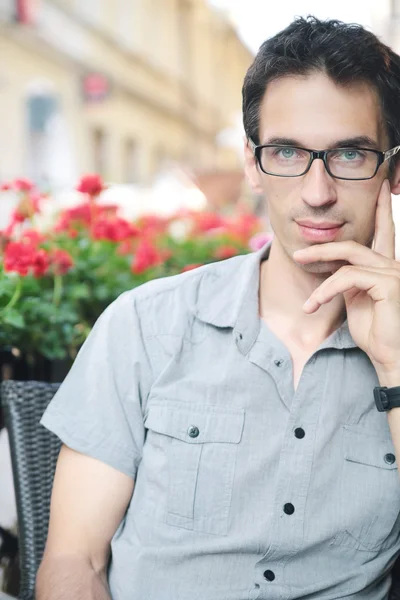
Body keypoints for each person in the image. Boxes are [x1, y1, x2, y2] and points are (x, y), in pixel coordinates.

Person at [36, 15, 400, 600]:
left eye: (351, 156)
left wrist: (395, 368)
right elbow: (75, 562)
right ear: (254, 165)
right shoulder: (145, 326)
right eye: (286, 152)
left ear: (393, 171)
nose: (317, 192)